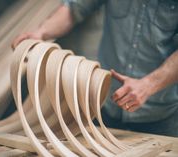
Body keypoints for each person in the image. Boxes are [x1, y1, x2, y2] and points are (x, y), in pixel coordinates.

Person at [12, 0, 178, 137]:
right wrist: (42, 32)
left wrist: (149, 85)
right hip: (105, 104)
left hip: (160, 115)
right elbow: (74, 7)